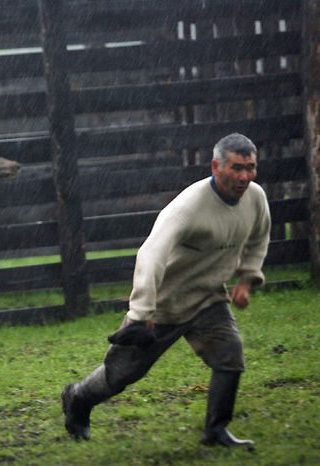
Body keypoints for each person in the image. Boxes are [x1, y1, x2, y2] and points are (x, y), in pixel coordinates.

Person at [62, 133, 271, 448]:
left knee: (230, 356)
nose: (245, 177)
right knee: (120, 374)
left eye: (251, 168)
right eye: (237, 168)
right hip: (163, 306)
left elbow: (258, 237)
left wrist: (246, 279)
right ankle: (78, 398)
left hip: (208, 299)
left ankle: (215, 431)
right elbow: (151, 254)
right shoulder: (189, 206)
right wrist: (141, 313)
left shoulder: (255, 198)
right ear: (216, 166)